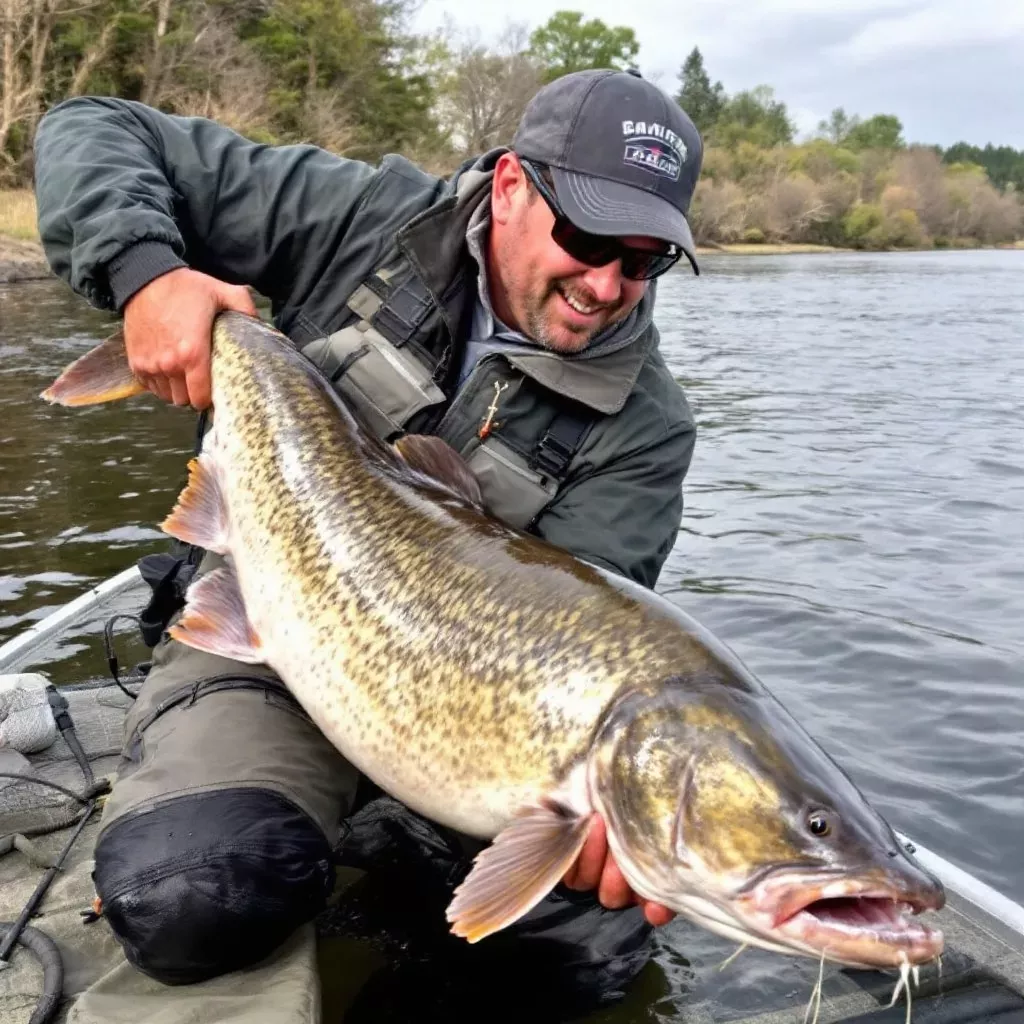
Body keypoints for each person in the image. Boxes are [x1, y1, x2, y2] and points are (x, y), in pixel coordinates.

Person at [33, 67, 703, 1018]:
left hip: (475, 709)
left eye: (645, 261)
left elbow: (586, 631)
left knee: (581, 948)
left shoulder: (647, 427)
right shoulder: (359, 217)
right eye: (589, 238)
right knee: (188, 894)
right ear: (511, 185)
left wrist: (602, 806)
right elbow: (91, 127)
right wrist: (149, 276)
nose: (607, 285)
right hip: (269, 622)